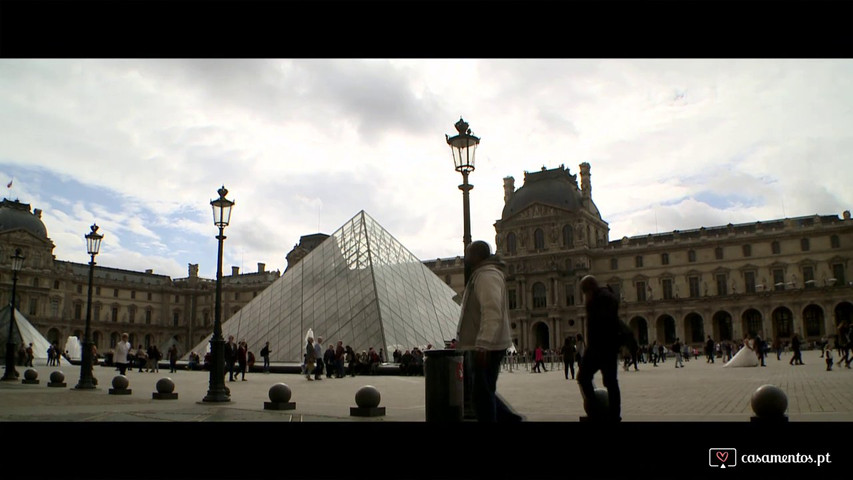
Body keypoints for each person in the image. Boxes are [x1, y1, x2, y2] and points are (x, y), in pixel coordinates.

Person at [456, 240, 522, 422]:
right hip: (483, 344)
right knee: (483, 392)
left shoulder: (486, 276)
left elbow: (491, 310)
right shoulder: (482, 274)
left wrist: (484, 344)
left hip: (487, 346)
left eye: (467, 254)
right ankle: (511, 420)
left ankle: (511, 420)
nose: (465, 258)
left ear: (476, 256)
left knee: (481, 395)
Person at [576, 275, 622, 421]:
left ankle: (596, 409)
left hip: (600, 347)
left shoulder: (600, 300)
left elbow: (600, 326)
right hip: (607, 347)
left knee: (584, 377)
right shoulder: (606, 297)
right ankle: (613, 415)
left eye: (584, 292)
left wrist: (591, 348)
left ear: (589, 289)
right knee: (611, 382)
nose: (585, 296)